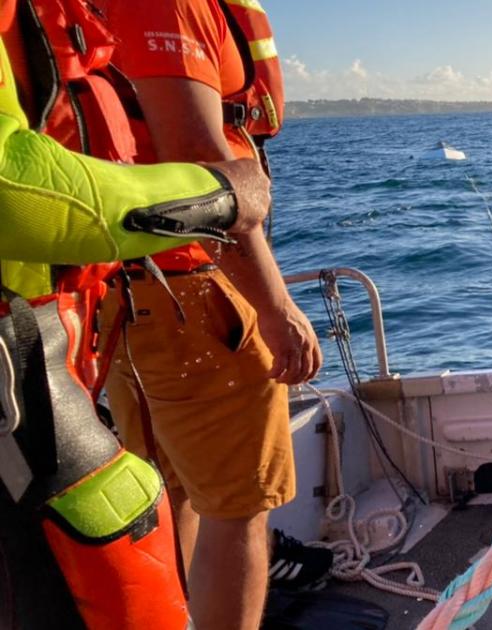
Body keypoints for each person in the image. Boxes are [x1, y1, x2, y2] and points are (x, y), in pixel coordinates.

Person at [0, 0, 275, 627]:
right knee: (229, 507)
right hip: (38, 383)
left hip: (65, 345)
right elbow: (11, 193)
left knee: (154, 504)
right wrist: (227, 198)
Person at [92, 0, 325, 627]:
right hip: (192, 293)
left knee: (171, 492)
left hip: (130, 289)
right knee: (237, 506)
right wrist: (275, 308)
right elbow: (200, 159)